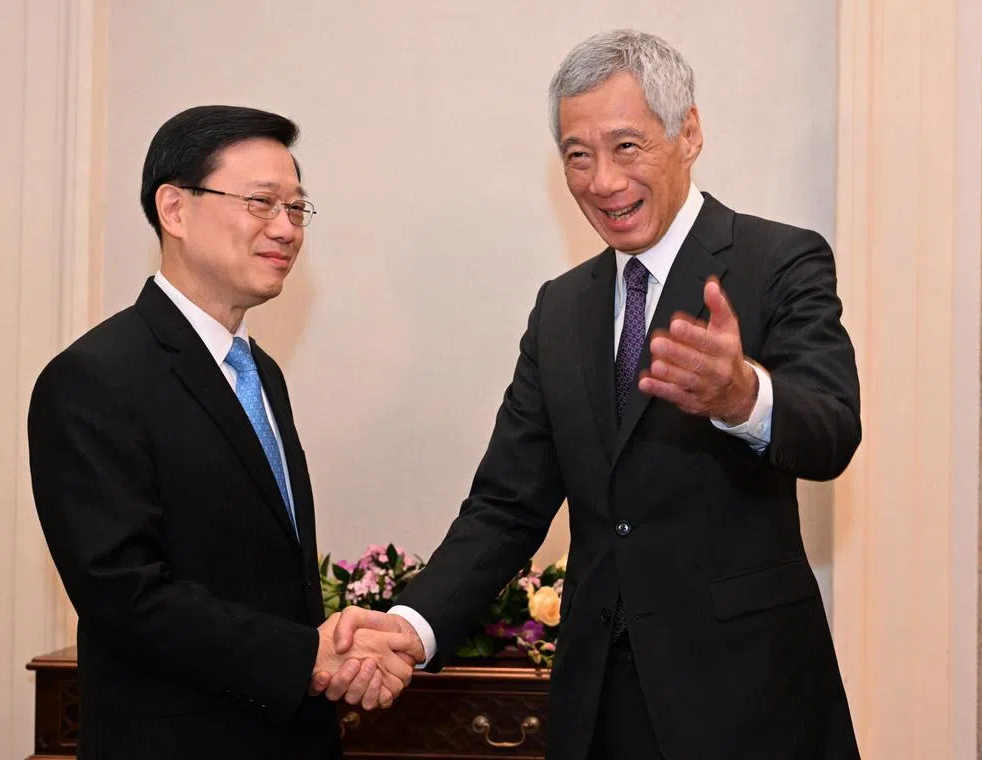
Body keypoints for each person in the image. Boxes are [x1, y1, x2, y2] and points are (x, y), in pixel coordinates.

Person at [331, 30, 862, 760]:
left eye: (627, 147)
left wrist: (744, 398)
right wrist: (412, 624)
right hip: (599, 701)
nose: (602, 181)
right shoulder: (561, 309)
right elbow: (506, 505)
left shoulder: (779, 260)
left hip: (747, 695)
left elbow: (832, 430)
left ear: (690, 134)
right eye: (578, 155)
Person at [28, 105, 421, 760]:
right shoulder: (94, 377)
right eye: (262, 203)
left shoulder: (259, 371)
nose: (286, 229)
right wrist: (308, 655)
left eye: (297, 209)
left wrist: (334, 653)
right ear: (175, 210)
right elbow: (125, 594)